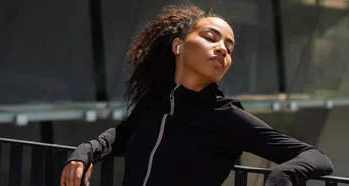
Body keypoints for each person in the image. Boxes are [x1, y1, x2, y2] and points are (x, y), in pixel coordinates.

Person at [60, 3, 333, 186]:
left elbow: (317, 156)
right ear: (178, 47)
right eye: (211, 37)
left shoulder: (225, 115)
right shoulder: (156, 101)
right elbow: (122, 135)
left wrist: (282, 175)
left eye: (229, 46)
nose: (223, 49)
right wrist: (84, 152)